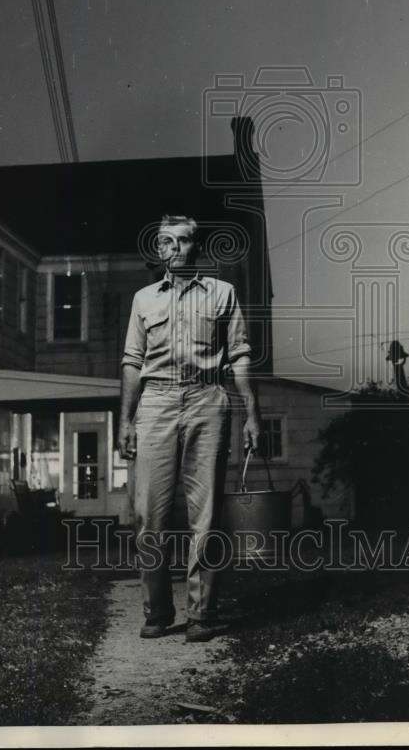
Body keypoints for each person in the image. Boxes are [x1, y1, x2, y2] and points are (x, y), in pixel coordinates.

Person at [118, 214, 261, 642]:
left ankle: (202, 613)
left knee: (208, 515)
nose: (175, 248)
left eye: (183, 241)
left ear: (196, 247)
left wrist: (252, 412)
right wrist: (125, 419)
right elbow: (131, 362)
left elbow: (239, 355)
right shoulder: (144, 299)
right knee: (149, 516)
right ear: (159, 249)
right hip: (156, 402)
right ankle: (157, 612)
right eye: (166, 241)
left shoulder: (222, 293)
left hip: (208, 400)